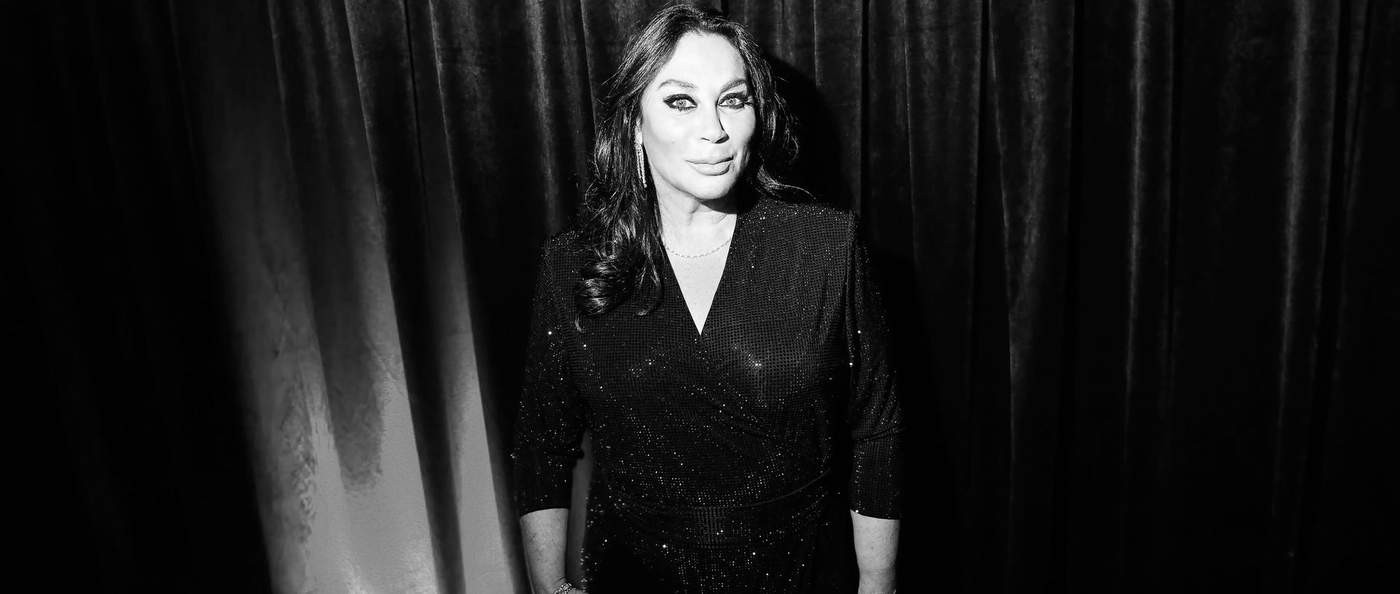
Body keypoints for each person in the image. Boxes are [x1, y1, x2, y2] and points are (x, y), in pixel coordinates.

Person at [512, 5, 902, 593]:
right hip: (633, 578)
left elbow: (878, 429)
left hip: (799, 573)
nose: (715, 129)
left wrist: (878, 583)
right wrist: (549, 588)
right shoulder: (573, 266)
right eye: (681, 101)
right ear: (633, 124)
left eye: (733, 100)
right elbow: (542, 444)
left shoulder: (825, 247)